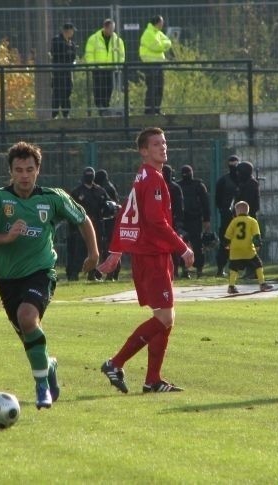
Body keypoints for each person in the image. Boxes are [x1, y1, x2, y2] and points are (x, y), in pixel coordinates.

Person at [0, 141, 99, 409]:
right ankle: (48, 367)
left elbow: (83, 219)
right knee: (29, 337)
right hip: (7, 281)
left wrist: (94, 254)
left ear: (38, 170)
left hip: (41, 273)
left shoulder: (52, 198)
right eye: (19, 170)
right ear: (11, 171)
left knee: (27, 318)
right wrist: (7, 237)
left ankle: (42, 388)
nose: (24, 175)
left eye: (29, 169)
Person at [97, 127, 195, 394]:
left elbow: (129, 214)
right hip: (152, 255)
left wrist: (117, 251)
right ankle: (115, 363)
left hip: (152, 255)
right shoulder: (151, 179)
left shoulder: (144, 177)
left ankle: (152, 380)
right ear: (143, 151)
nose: (162, 147)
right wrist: (182, 247)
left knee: (165, 317)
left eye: (164, 142)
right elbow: (155, 220)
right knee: (164, 318)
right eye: (155, 144)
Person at [67, 166, 111, 281]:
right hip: (82, 226)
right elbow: (71, 209)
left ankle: (92, 273)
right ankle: (74, 274)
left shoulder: (100, 190)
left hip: (97, 225)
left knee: (96, 250)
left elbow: (107, 204)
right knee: (79, 250)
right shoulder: (77, 192)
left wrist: (108, 209)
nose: (89, 177)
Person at [224, 201, 273, 294]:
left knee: (234, 268)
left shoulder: (234, 221)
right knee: (258, 264)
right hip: (248, 249)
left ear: (236, 211)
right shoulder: (252, 221)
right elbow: (256, 236)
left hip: (235, 250)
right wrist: (258, 245)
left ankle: (231, 286)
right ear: (248, 210)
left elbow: (228, 235)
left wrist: (226, 244)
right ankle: (262, 284)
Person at [84, 18, 125, 116]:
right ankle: (100, 107)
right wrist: (92, 66)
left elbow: (122, 54)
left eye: (113, 29)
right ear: (105, 28)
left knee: (108, 88)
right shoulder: (94, 39)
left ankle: (106, 106)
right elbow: (89, 54)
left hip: (111, 68)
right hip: (98, 68)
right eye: (110, 29)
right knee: (98, 88)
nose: (112, 31)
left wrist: (118, 65)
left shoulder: (117, 40)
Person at [178, 165, 211, 278]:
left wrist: (206, 219)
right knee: (182, 245)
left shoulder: (198, 186)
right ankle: (185, 270)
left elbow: (205, 203)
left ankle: (199, 270)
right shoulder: (179, 186)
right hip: (183, 220)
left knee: (197, 245)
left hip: (195, 219)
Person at [139, 15, 172, 115]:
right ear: (157, 23)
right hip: (150, 64)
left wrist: (163, 45)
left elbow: (169, 42)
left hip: (158, 64)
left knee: (159, 87)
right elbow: (157, 47)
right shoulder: (148, 33)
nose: (162, 25)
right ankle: (149, 110)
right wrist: (164, 45)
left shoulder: (158, 33)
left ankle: (157, 109)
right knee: (152, 87)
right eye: (161, 23)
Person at [215, 155, 240, 276]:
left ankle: (237, 268)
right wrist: (224, 210)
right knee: (225, 242)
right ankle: (221, 268)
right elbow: (218, 200)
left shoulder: (241, 179)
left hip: (239, 215)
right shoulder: (224, 180)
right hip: (227, 215)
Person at [95, 169, 121, 281]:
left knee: (109, 248)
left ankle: (111, 274)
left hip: (109, 222)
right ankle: (111, 274)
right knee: (112, 248)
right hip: (112, 221)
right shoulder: (110, 186)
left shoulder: (105, 188)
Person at [161, 164, 186, 277]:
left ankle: (173, 270)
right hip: (171, 220)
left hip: (166, 220)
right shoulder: (174, 187)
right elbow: (180, 207)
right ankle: (174, 270)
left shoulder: (169, 187)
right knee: (174, 246)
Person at [50, 23, 77, 119]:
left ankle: (66, 113)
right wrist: (67, 51)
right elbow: (57, 53)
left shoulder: (71, 43)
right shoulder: (57, 41)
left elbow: (73, 56)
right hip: (59, 72)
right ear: (67, 31)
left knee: (67, 91)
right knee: (58, 92)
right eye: (71, 31)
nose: (72, 33)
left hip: (68, 72)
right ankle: (54, 113)